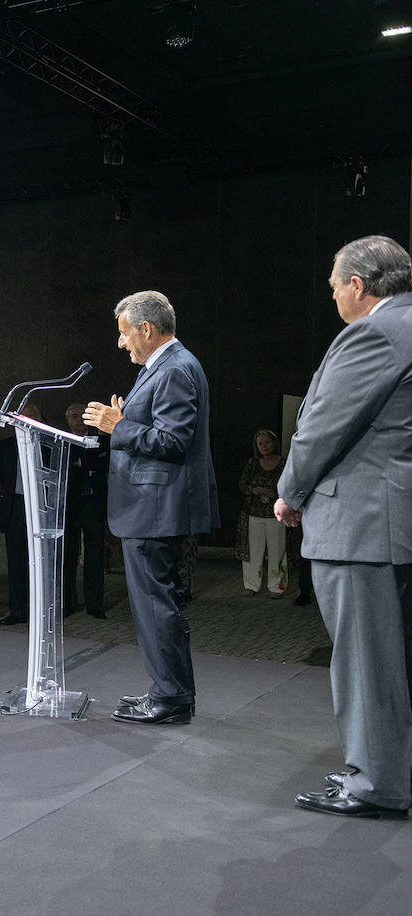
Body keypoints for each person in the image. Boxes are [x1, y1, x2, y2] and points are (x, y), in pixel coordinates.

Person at [277, 235, 412, 820]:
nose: (333, 296)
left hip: (360, 524)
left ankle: (376, 783)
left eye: (335, 285)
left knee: (365, 662)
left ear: (359, 285)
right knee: (392, 658)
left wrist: (288, 492)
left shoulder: (374, 333)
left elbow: (323, 427)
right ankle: (389, 766)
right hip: (391, 522)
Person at [85, 290, 218, 726]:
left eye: (124, 334)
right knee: (157, 604)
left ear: (146, 328)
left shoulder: (176, 368)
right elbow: (160, 430)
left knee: (157, 605)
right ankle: (168, 692)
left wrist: (119, 426)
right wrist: (129, 422)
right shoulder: (163, 367)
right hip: (151, 507)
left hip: (155, 508)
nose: (121, 344)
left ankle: (172, 699)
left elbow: (174, 442)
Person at [0, 402, 42, 626]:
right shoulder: (6, 446)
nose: (28, 420)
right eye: (24, 416)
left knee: (38, 561)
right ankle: (17, 608)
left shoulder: (48, 445)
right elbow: (1, 477)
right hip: (15, 507)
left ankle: (39, 608)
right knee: (15, 561)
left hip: (40, 508)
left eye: (32, 416)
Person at [63, 404, 109, 619]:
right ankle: (68, 602)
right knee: (69, 554)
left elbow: (102, 464)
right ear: (68, 420)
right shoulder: (61, 440)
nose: (79, 420)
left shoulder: (101, 440)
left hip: (94, 503)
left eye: (83, 416)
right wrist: (87, 464)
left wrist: (84, 464)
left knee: (95, 554)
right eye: (74, 416)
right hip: (70, 504)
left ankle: (94, 604)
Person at [236, 429, 286, 598]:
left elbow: (289, 485)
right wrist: (254, 489)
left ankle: (277, 586)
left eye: (267, 442)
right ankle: (251, 585)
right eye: (260, 443)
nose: (264, 446)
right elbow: (242, 484)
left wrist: (274, 493)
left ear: (274, 444)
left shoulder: (283, 463)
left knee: (277, 550)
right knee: (254, 551)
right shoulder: (253, 463)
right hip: (254, 513)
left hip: (276, 514)